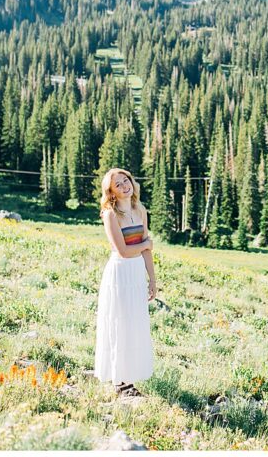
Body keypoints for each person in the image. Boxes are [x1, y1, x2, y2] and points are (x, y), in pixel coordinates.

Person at [93, 167, 157, 397]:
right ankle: (120, 382)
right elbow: (122, 251)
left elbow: (145, 251)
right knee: (119, 323)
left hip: (137, 273)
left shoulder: (140, 210)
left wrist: (152, 279)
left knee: (134, 324)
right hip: (120, 274)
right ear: (111, 192)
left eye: (126, 180)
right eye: (117, 184)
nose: (124, 185)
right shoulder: (110, 214)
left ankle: (129, 377)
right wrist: (146, 245)